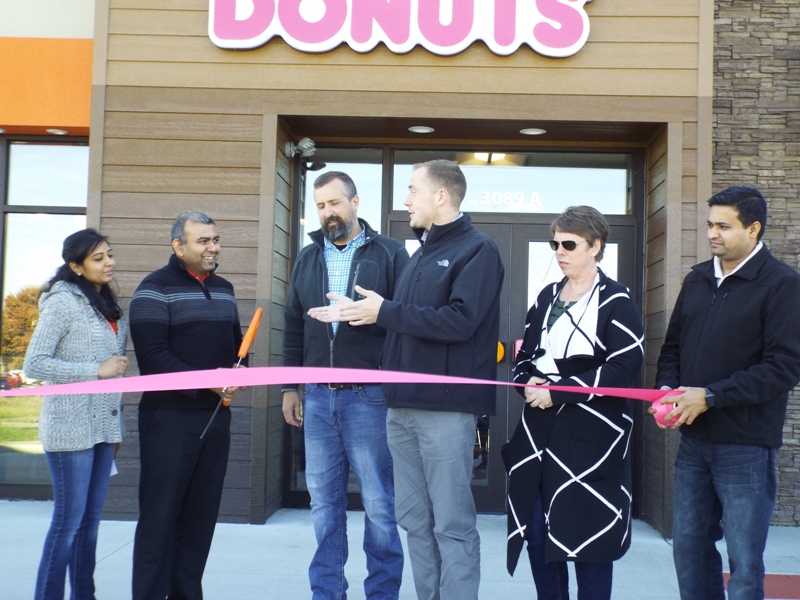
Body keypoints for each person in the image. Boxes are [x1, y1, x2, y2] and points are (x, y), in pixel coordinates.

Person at [309, 159, 504, 600]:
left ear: (441, 195)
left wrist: (384, 310)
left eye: (413, 190)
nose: (406, 200)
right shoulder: (419, 255)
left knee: (451, 525)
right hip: (400, 408)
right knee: (415, 522)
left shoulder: (479, 249)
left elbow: (461, 321)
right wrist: (361, 314)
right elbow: (404, 323)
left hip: (445, 410)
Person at [654, 186, 800, 600]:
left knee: (744, 561)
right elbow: (673, 347)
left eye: (723, 226)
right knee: (689, 549)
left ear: (753, 229)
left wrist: (711, 396)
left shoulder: (783, 284)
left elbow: (784, 366)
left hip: (746, 446)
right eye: (709, 224)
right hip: (693, 443)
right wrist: (666, 389)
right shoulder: (698, 278)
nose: (712, 234)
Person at [503, 206, 644, 600]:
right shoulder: (546, 296)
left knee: (589, 544)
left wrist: (559, 391)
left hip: (593, 439)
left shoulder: (617, 300)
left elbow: (625, 366)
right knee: (536, 535)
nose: (559, 252)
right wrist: (526, 382)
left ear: (595, 246)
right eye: (555, 244)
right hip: (538, 435)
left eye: (569, 244)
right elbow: (524, 357)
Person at [282, 171, 408, 599]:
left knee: (379, 505)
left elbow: (404, 319)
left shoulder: (390, 253)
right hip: (317, 397)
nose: (327, 213)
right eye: (320, 206)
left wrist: (371, 317)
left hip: (369, 398)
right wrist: (290, 386)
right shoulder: (307, 257)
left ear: (355, 203)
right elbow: (293, 325)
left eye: (335, 203)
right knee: (323, 506)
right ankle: (327, 593)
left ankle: (382, 594)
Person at [129, 211, 246, 600]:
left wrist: (240, 374)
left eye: (216, 239)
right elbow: (153, 359)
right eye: (203, 241)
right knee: (159, 521)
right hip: (168, 422)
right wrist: (210, 382)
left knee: (199, 523)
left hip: (215, 420)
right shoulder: (153, 289)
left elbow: (236, 349)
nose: (213, 247)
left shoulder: (225, 289)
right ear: (179, 246)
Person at [23, 228, 129, 600]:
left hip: (103, 429)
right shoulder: (62, 301)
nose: (109, 262)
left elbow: (114, 374)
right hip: (70, 430)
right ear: (76, 266)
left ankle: (84, 594)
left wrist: (116, 428)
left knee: (90, 523)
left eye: (110, 254)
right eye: (98, 258)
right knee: (68, 524)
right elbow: (34, 363)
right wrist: (94, 370)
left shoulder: (107, 302)